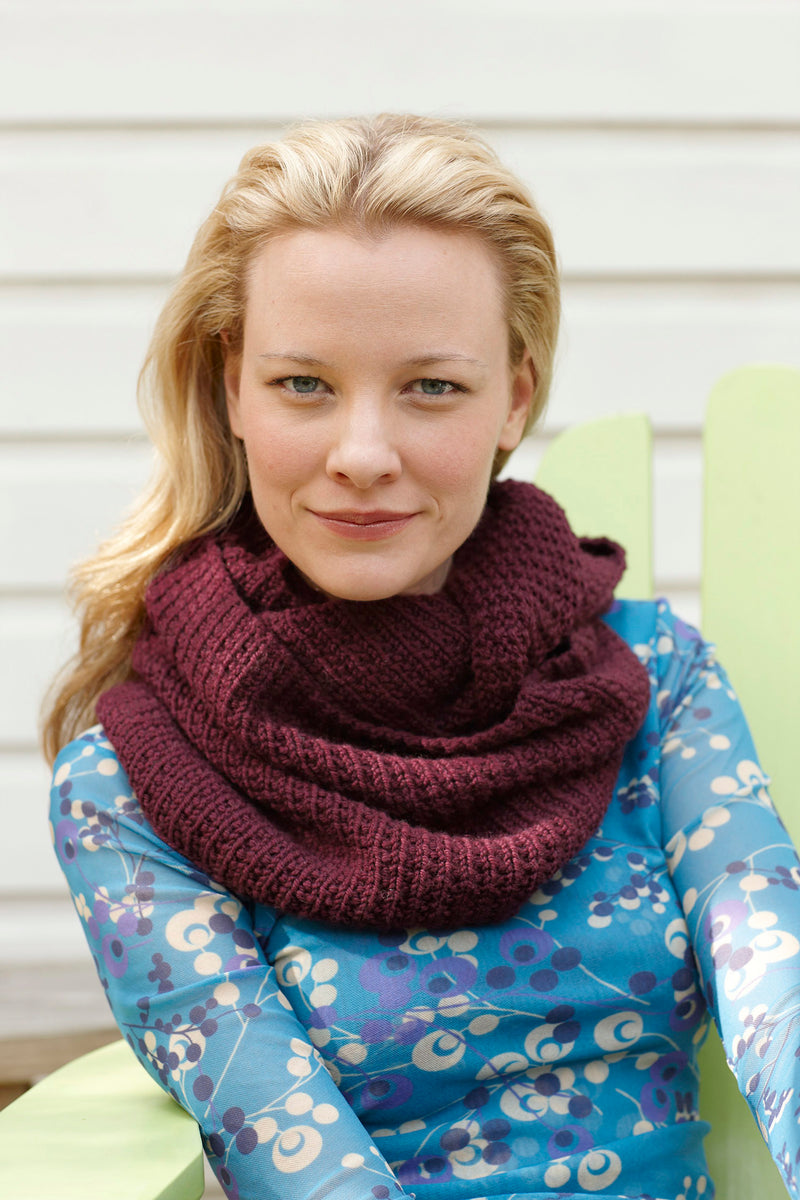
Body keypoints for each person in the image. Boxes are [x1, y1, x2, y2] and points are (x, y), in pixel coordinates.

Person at [44, 114, 799, 1200]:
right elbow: (284, 1142)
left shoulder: (652, 681)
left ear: (515, 398)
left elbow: (773, 972)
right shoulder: (136, 782)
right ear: (232, 388)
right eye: (304, 384)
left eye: (431, 387)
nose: (363, 455)